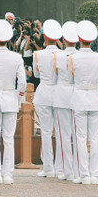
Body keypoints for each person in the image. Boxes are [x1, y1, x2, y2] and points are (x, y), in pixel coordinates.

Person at [0, 19, 27, 185]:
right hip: (10, 97)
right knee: (8, 138)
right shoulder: (16, 57)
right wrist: (16, 96)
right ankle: (8, 174)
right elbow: (22, 82)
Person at [71, 20, 98, 185]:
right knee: (94, 138)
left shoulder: (73, 57)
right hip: (94, 97)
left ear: (80, 39)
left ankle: (83, 174)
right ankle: (96, 174)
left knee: (80, 138)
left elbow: (68, 79)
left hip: (79, 96)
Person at [31, 18, 62, 179]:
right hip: (59, 93)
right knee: (61, 131)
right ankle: (61, 166)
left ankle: (48, 167)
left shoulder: (38, 54)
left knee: (46, 131)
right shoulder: (63, 55)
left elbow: (36, 75)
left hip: (44, 92)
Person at [52, 21, 79, 183]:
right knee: (77, 135)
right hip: (76, 94)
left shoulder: (58, 56)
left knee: (63, 134)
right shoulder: (80, 56)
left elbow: (54, 78)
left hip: (62, 94)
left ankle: (66, 170)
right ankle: (77, 168)